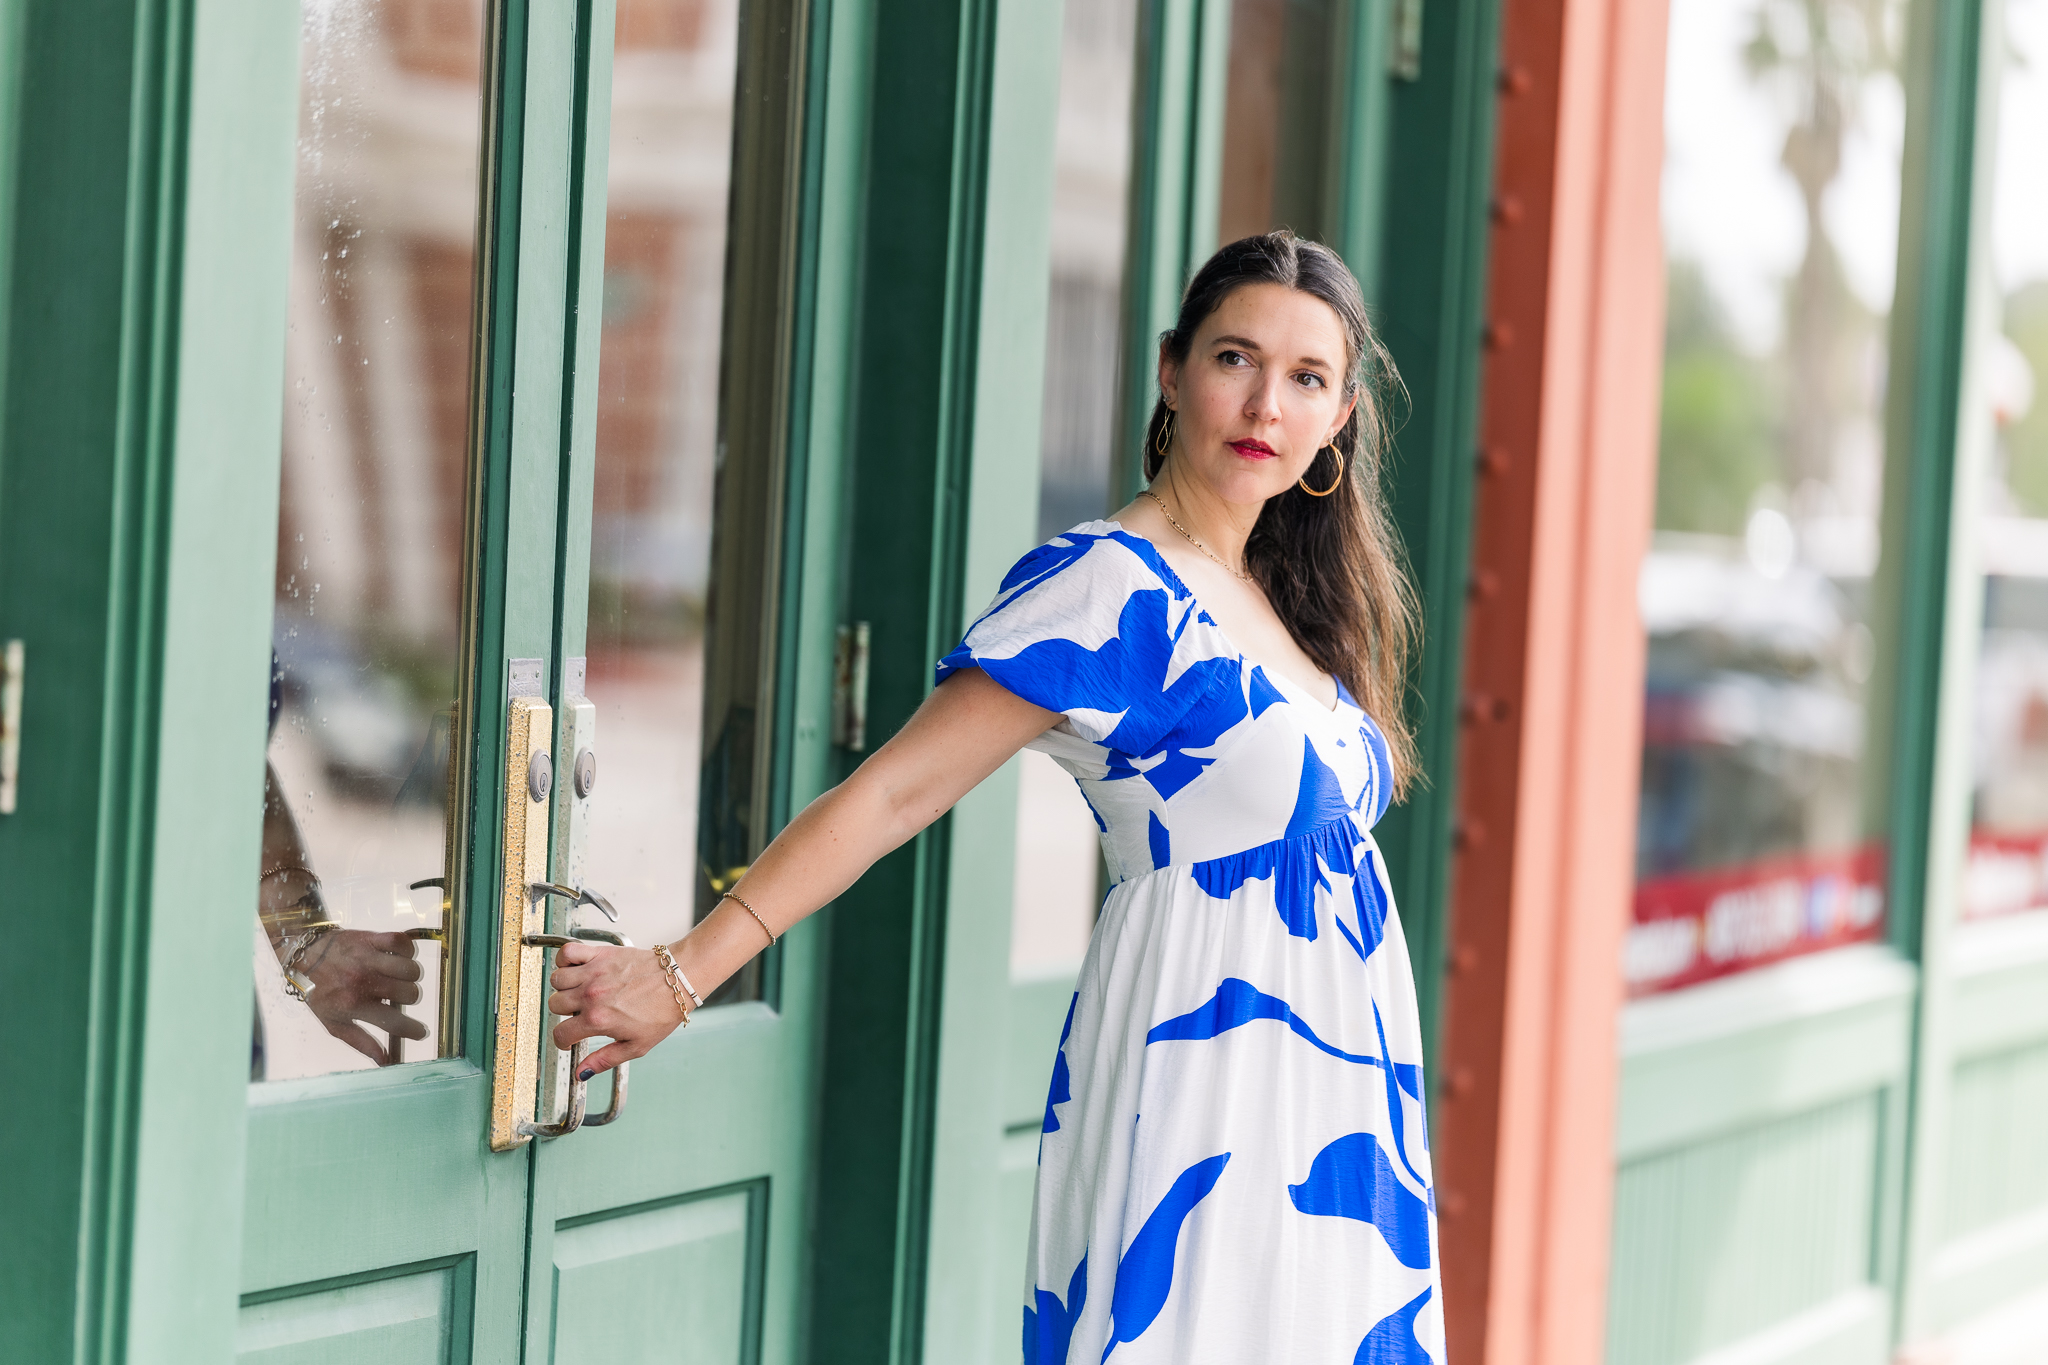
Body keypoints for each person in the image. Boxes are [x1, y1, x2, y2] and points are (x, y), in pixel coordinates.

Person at [549, 231, 1442, 1362]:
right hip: (1206, 1068)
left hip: (1332, 1090)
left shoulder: (1290, 596)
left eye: (1306, 377)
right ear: (1171, 371)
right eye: (1234, 359)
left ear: (1340, 415)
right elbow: (892, 796)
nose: (1265, 401)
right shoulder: (1109, 585)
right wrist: (682, 975)